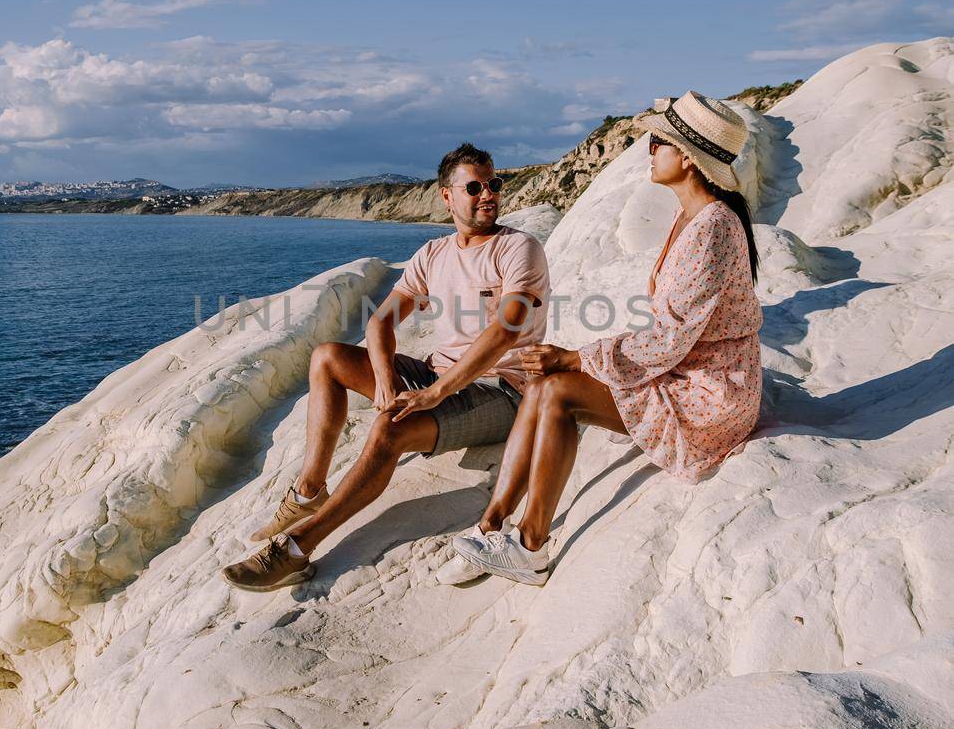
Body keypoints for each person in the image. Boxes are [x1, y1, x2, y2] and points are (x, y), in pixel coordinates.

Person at [449, 91, 763, 586]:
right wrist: (574, 359)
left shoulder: (713, 228)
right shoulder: (693, 218)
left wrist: (578, 357)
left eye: (659, 141)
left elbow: (669, 340)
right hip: (685, 372)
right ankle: (493, 523)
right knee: (541, 378)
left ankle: (530, 546)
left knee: (558, 388)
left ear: (687, 157)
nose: (649, 149)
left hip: (708, 393)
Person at [221, 142, 550, 592]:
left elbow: (507, 330)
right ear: (447, 197)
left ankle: (296, 549)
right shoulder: (433, 254)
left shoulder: (518, 248)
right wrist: (384, 381)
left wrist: (434, 394)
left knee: (389, 431)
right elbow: (381, 323)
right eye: (474, 186)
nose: (488, 194)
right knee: (328, 358)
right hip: (441, 374)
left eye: (494, 183)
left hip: (503, 389)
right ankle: (308, 492)